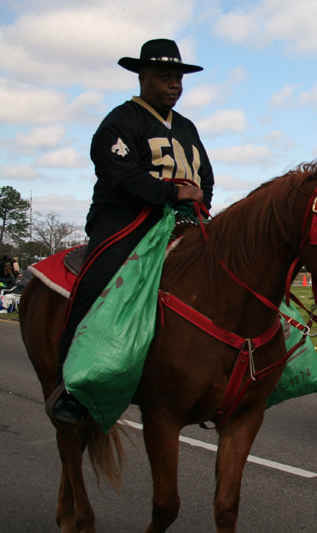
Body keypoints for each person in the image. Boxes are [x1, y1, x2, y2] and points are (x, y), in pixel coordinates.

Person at [47, 39, 214, 425]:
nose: (174, 84)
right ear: (142, 77)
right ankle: (69, 387)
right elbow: (118, 174)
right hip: (126, 218)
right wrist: (170, 191)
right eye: (164, 77)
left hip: (183, 220)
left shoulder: (187, 127)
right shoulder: (121, 120)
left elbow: (205, 177)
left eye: (178, 78)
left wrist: (196, 202)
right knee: (100, 280)